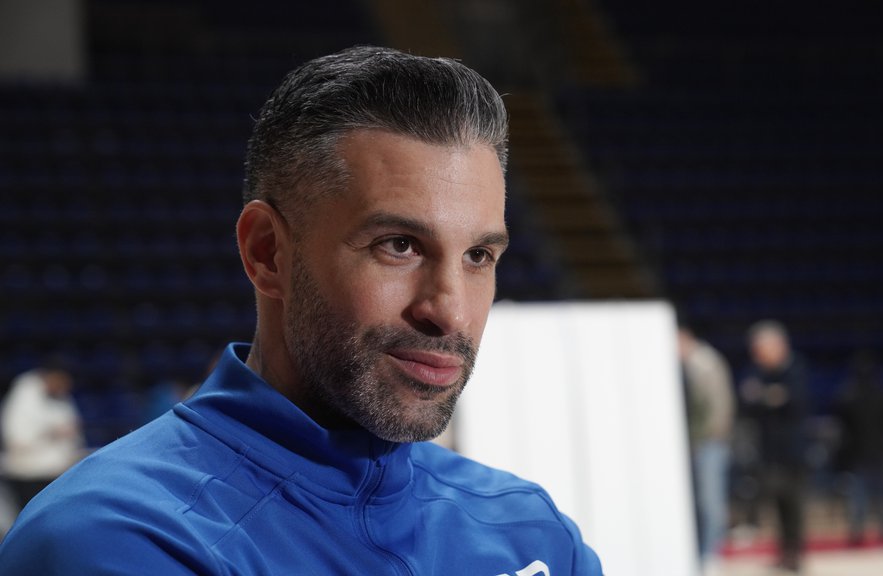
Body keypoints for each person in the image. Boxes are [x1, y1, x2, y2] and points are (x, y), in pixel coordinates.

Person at [0, 46, 602, 575]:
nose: (450, 312)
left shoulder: (534, 533)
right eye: (399, 245)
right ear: (267, 253)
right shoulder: (118, 540)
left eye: (478, 256)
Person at [739, 320, 809, 573]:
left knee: (794, 505)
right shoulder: (759, 372)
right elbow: (749, 400)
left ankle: (795, 555)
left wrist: (766, 396)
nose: (757, 356)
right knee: (777, 506)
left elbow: (793, 402)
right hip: (769, 451)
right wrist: (771, 396)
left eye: (760, 350)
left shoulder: (796, 368)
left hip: (793, 452)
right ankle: (784, 553)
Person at [678, 322, 735, 569]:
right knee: (699, 502)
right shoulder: (688, 365)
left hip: (709, 443)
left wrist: (709, 438)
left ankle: (711, 554)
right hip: (697, 443)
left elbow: (720, 407)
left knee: (710, 502)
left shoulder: (705, 363)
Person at [832, 350, 883, 546]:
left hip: (863, 452)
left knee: (862, 495)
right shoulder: (882, 394)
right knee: (877, 494)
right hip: (874, 451)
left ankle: (859, 533)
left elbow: (841, 423)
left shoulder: (849, 396)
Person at [0, 359, 85, 511]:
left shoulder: (62, 398)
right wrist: (53, 432)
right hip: (28, 474)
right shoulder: (23, 397)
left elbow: (73, 431)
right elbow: (17, 440)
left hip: (56, 473)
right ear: (50, 377)